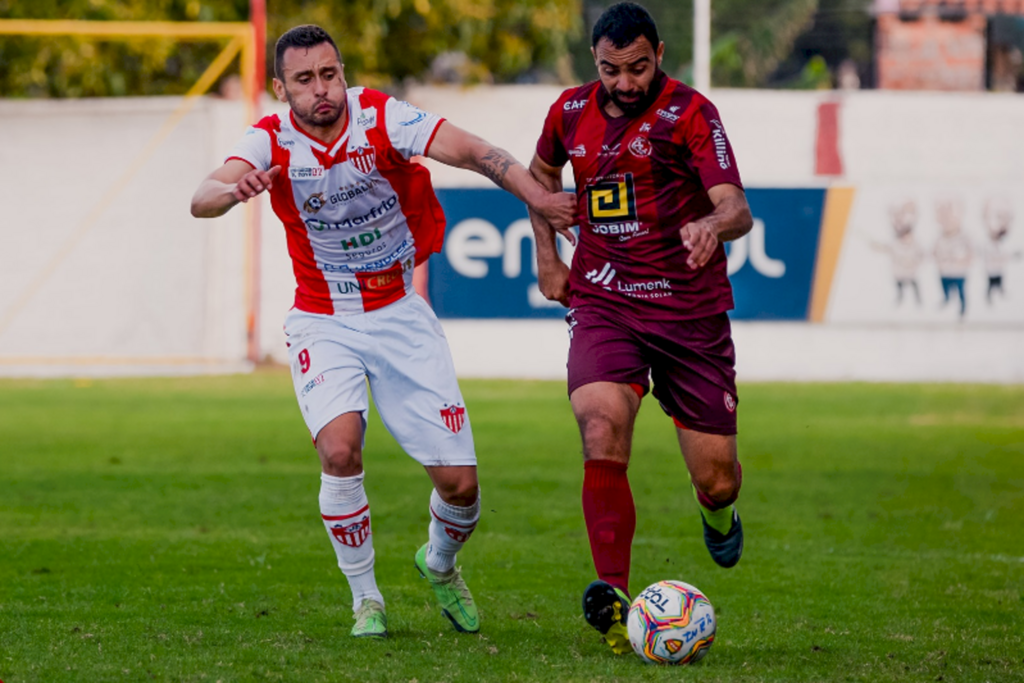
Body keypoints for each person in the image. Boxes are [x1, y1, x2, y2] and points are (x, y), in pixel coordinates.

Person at [191, 24, 575, 639]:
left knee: (463, 489)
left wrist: (543, 200)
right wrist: (233, 191)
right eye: (304, 80)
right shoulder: (269, 139)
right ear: (279, 88)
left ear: (342, 72)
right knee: (339, 451)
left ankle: (440, 564)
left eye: (329, 73)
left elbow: (477, 153)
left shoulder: (381, 117)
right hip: (322, 319)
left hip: (399, 314)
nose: (322, 90)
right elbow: (201, 195)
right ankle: (366, 599)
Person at [527, 2, 753, 655]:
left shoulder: (691, 114)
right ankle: (614, 600)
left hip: (689, 313)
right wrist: (549, 254)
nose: (625, 83)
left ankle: (718, 513)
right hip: (606, 301)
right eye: (610, 70)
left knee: (718, 476)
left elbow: (735, 204)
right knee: (599, 424)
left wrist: (713, 224)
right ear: (592, 62)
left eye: (638, 67)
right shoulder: (569, 112)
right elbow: (540, 180)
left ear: (659, 54)